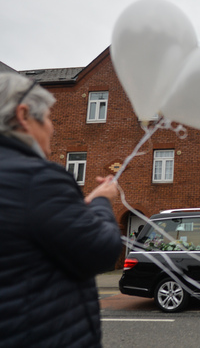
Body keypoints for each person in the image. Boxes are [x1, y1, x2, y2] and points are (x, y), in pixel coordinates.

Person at [0, 72, 122, 347]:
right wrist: (103, 202)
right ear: (23, 115)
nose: (53, 128)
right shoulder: (39, 179)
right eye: (47, 118)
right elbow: (101, 251)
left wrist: (75, 209)